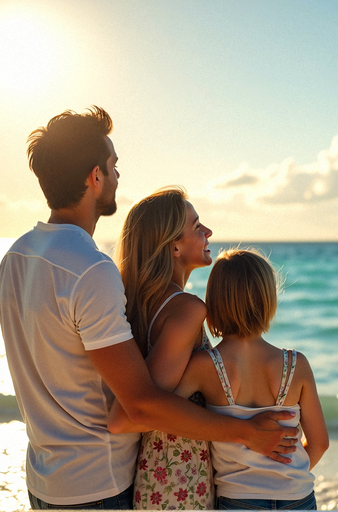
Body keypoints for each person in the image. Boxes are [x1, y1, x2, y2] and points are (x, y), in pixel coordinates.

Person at [0, 106, 298, 510]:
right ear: (96, 176)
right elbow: (136, 407)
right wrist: (245, 433)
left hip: (43, 478)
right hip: (98, 483)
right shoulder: (90, 269)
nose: (118, 176)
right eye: (114, 165)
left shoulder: (15, 258)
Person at [174, 248, 330, 510]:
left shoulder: (206, 365)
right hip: (298, 497)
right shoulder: (296, 365)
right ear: (268, 300)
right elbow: (320, 443)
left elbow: (163, 410)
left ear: (214, 302)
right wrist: (286, 477)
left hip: (239, 499)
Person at [108, 186, 215, 509]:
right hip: (179, 484)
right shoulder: (186, 309)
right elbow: (126, 417)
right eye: (197, 227)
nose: (208, 231)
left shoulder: (139, 305)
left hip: (157, 478)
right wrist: (244, 431)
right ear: (174, 247)